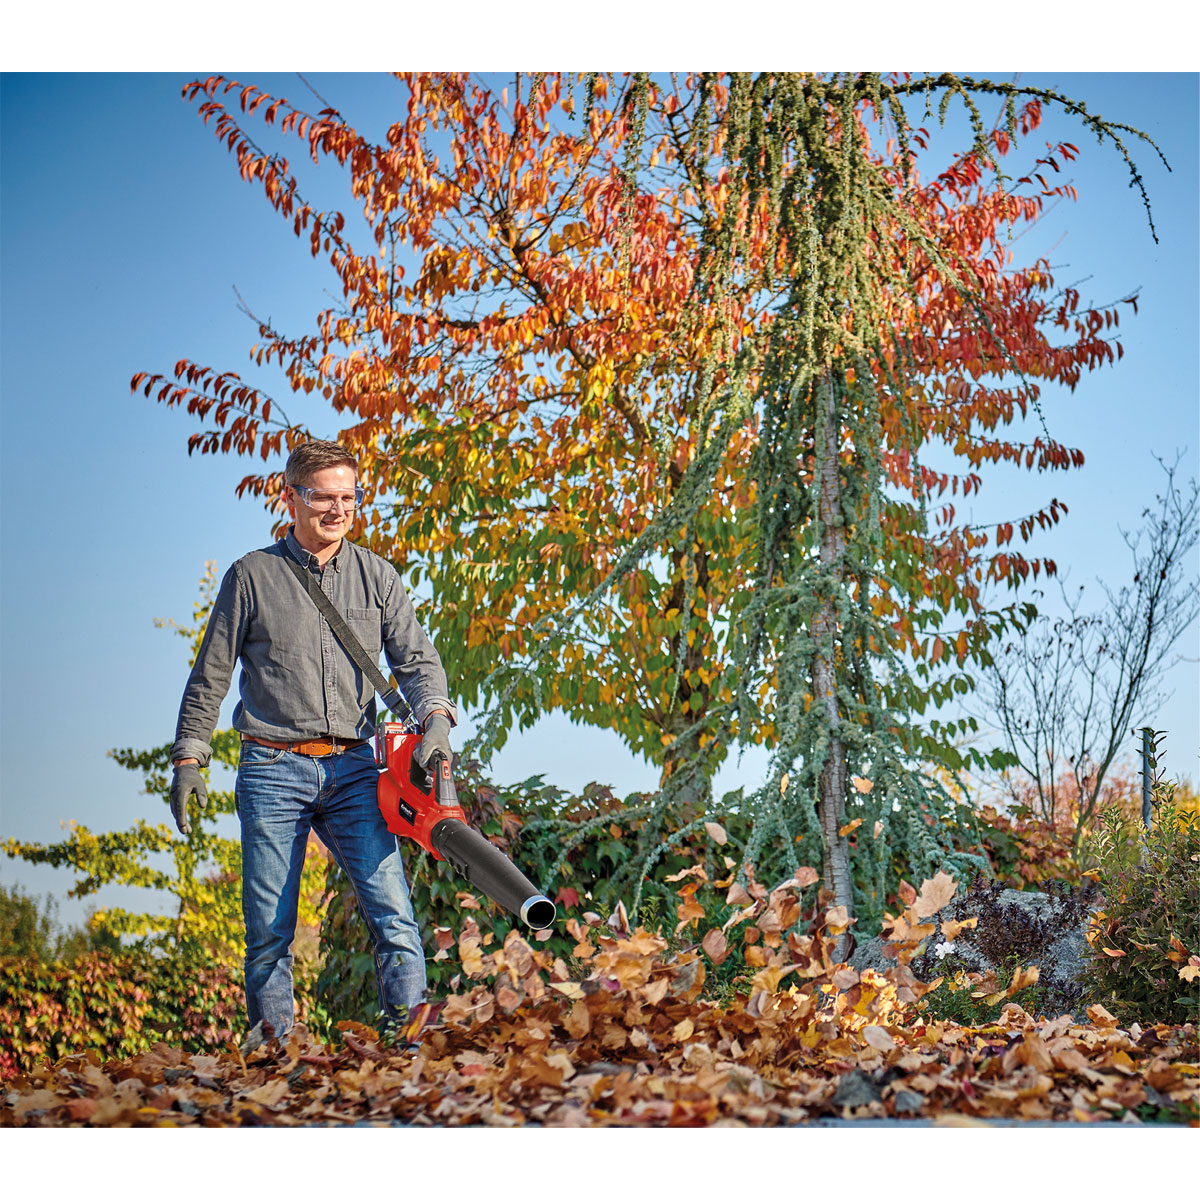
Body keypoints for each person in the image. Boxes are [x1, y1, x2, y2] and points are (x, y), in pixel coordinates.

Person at [168, 439, 456, 1040]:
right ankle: (276, 1054)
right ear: (290, 497)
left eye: (348, 497)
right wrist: (190, 758)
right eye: (323, 497)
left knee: (394, 915)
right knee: (270, 929)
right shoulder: (252, 577)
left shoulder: (377, 576)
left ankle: (410, 1044)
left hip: (354, 769)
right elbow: (211, 676)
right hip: (273, 766)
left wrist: (434, 721)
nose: (338, 509)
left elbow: (419, 663)